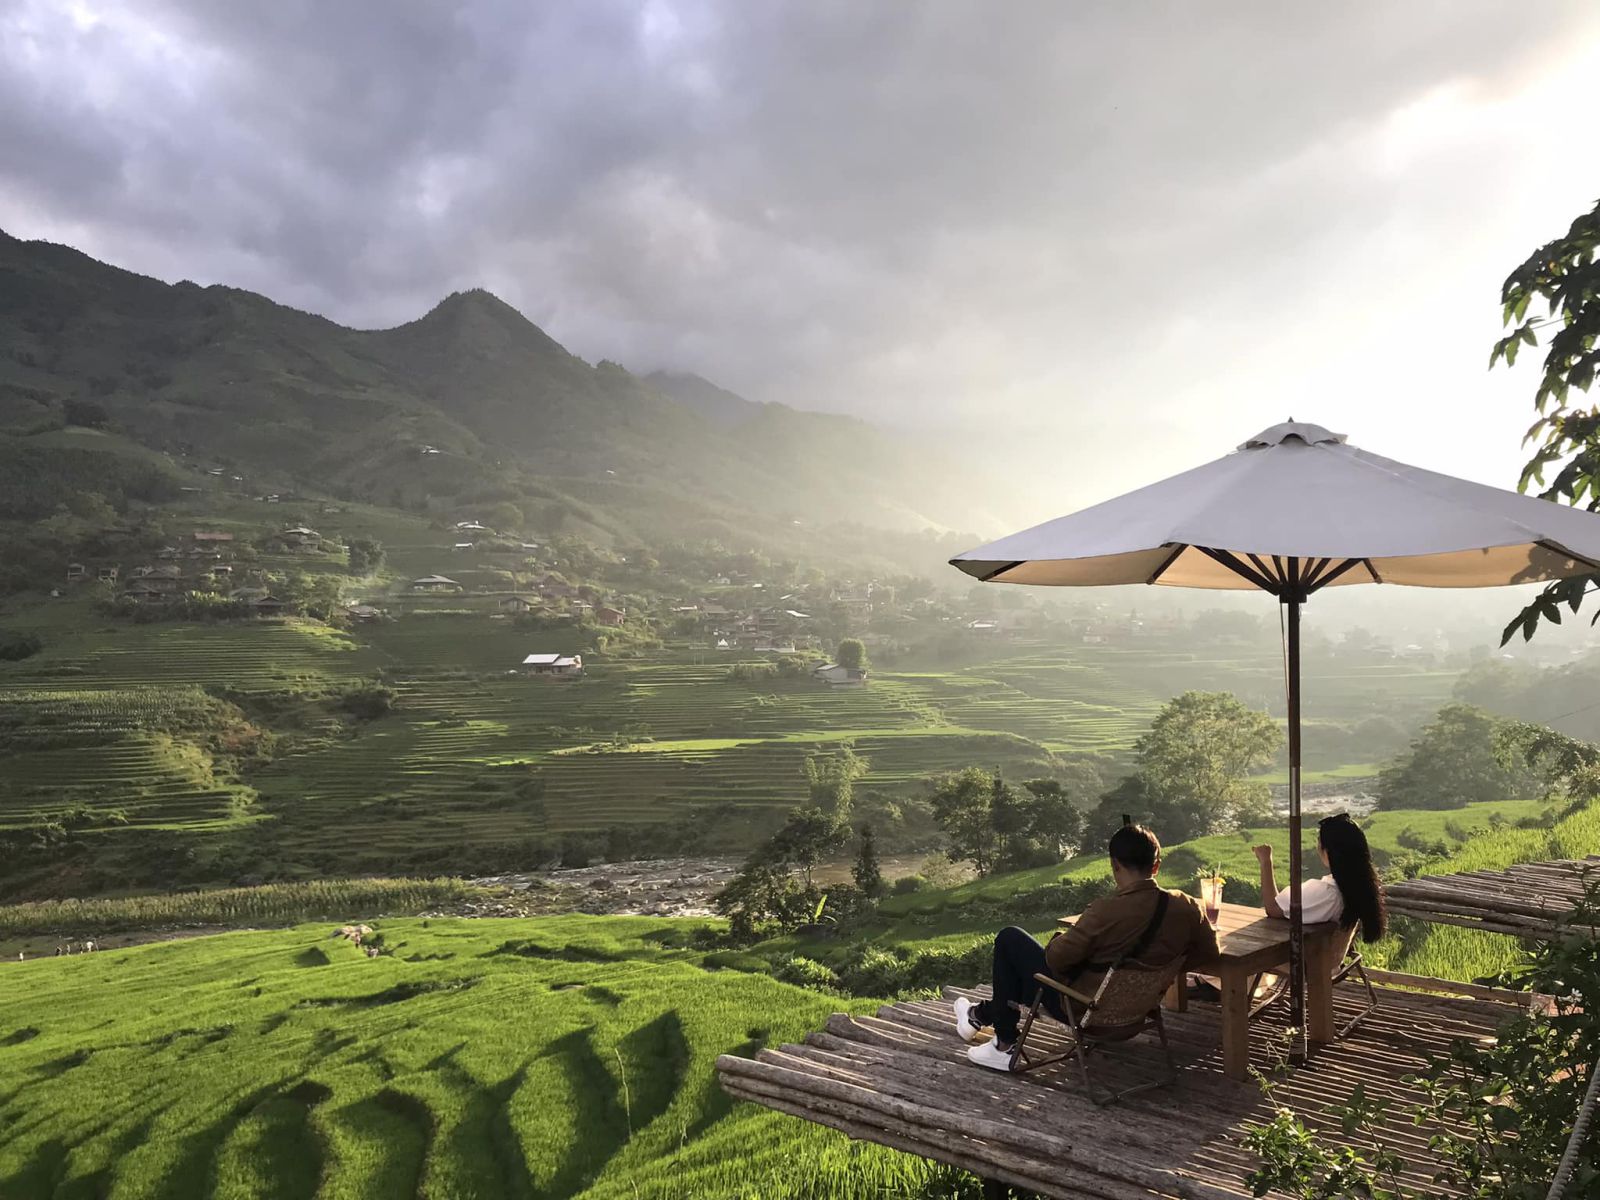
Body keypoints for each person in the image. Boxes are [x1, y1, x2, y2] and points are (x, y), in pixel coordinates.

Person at [954, 819, 1220, 1071]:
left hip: (1085, 1010)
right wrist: (1150, 977)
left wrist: (1060, 938)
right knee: (1031, 967)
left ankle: (1002, 1044)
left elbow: (1056, 960)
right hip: (1136, 1013)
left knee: (1010, 939)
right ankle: (978, 1015)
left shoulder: (1106, 911)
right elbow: (1210, 952)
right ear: (1156, 865)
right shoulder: (1186, 906)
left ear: (1115, 865)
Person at [1251, 812, 1387, 944]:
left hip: (1303, 965)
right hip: (1331, 964)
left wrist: (1265, 861)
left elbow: (1274, 908)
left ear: (1327, 853)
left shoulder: (1327, 894)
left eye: (1319, 844)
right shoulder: (1358, 887)